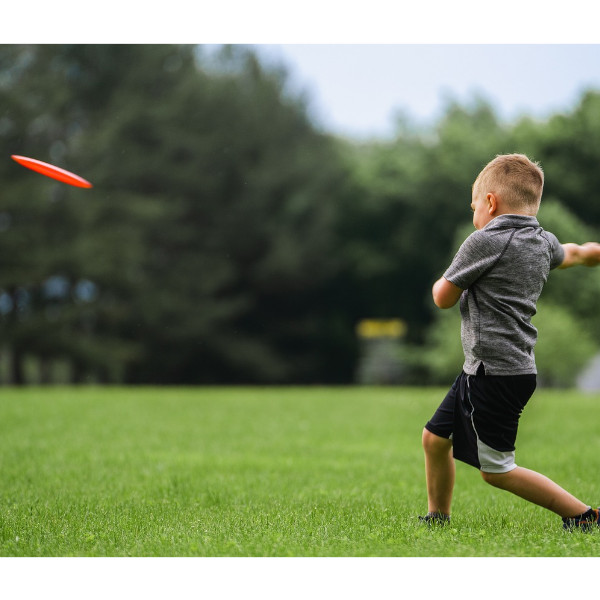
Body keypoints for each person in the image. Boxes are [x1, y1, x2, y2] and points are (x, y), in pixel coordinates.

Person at [421, 153, 600, 530]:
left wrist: (445, 279)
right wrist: (592, 254)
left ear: (490, 202)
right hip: (493, 368)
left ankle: (584, 516)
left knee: (497, 471)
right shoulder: (542, 241)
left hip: (495, 373)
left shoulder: (485, 240)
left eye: (474, 207)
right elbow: (576, 253)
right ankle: (437, 517)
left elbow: (442, 297)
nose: (474, 216)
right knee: (435, 438)